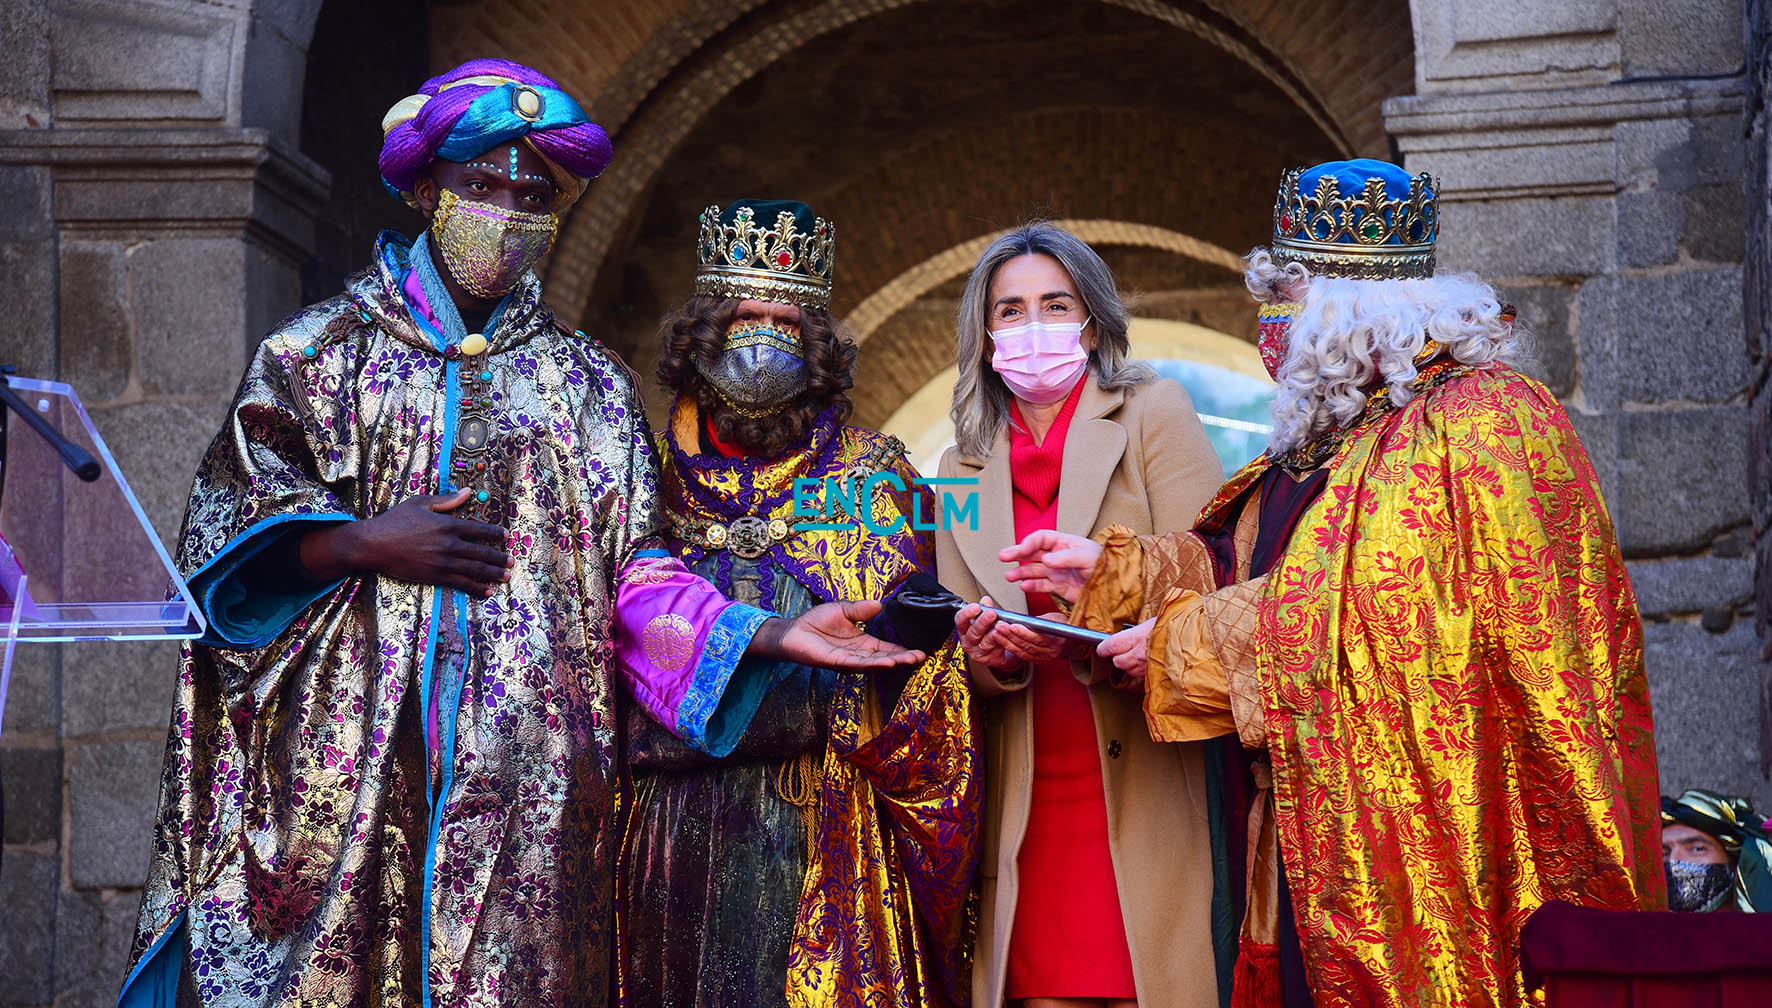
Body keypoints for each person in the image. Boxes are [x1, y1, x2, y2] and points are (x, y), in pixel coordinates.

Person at [119, 61, 922, 1008]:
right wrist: (362, 544)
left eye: (532, 194)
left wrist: (763, 634)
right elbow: (224, 544)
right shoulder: (316, 358)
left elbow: (637, 577)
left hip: (532, 788)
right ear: (427, 188)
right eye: (480, 185)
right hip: (346, 782)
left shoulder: (589, 389)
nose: (505, 210)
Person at [1003, 159, 1664, 1008]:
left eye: (1287, 291)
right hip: (1306, 826)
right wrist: (1121, 575)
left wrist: (1183, 642)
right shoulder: (1331, 439)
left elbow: (1393, 619)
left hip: (1430, 835)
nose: (1266, 323)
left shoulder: (1480, 420)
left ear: (1355, 307)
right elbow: (1258, 563)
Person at [618, 198, 980, 1008]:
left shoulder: (877, 475)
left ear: (816, 345)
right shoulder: (636, 474)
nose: (761, 342)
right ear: (703, 332)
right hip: (666, 819)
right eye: (746, 316)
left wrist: (915, 638)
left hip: (818, 813)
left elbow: (921, 660)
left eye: (787, 324)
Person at [933, 224, 1226, 1008]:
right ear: (986, 329)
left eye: (1054, 304)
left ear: (1091, 321)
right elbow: (961, 622)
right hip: (1026, 776)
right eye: (1012, 309)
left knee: (1148, 975)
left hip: (1143, 772)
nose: (1033, 326)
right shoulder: (956, 460)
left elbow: (1212, 575)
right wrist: (991, 655)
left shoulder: (1153, 412)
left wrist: (1103, 612)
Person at [1663, 788, 1772, 912]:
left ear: (1735, 862)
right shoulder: (1645, 929)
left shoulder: (1762, 929)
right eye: (1663, 853)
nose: (1673, 860)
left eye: (1697, 849)